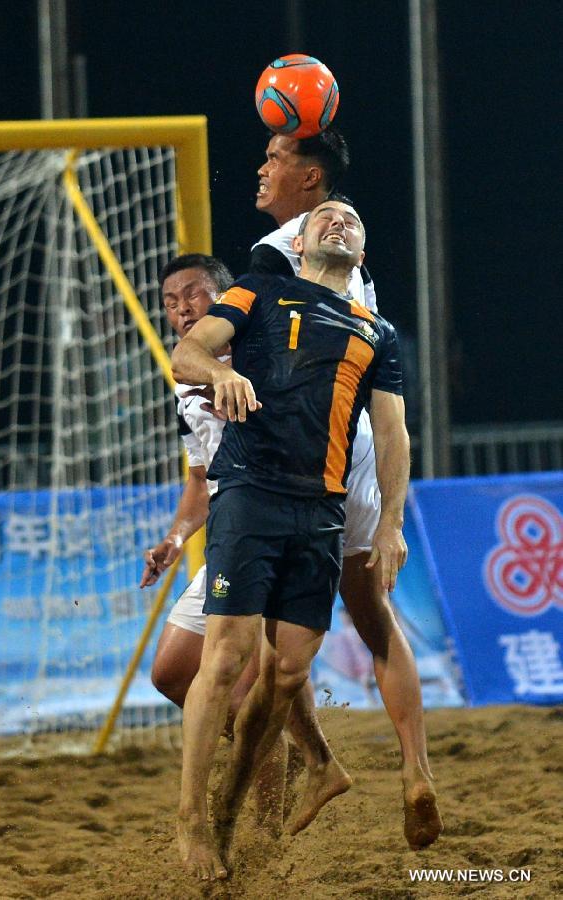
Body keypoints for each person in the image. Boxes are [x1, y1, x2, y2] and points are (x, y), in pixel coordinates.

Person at [171, 199, 411, 881]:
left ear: (360, 257)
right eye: (325, 218)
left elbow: (392, 433)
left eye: (352, 220)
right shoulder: (261, 290)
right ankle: (191, 822)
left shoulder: (377, 331)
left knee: (284, 677)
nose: (339, 221)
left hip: (322, 514)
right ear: (299, 245)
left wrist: (390, 522)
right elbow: (187, 352)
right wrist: (221, 371)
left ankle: (228, 812)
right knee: (224, 662)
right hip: (250, 492)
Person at [250, 129, 442, 852]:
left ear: (310, 180)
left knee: (273, 639)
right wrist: (392, 518)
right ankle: (416, 770)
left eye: (275, 157)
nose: (262, 168)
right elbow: (391, 422)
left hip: (306, 459)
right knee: (375, 617)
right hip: (356, 446)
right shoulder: (349, 254)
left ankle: (314, 765)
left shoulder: (285, 251)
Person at [142, 252, 351, 835]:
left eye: (194, 294)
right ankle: (303, 758)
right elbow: (198, 481)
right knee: (171, 674)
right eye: (170, 301)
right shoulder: (185, 377)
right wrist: (175, 536)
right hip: (233, 528)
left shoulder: (268, 351)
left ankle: (265, 835)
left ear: (227, 301)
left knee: (259, 673)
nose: (182, 308)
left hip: (281, 523)